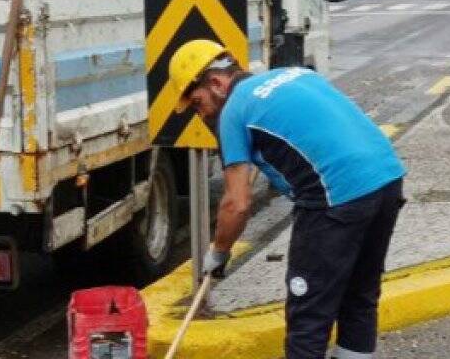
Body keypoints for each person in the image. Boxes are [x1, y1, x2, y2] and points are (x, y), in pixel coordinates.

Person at [168, 39, 406, 359]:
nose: (201, 114)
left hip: (336, 198)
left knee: (308, 316)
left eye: (198, 103)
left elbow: (236, 204)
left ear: (216, 83)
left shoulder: (234, 111)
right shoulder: (292, 74)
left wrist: (219, 252)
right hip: (386, 179)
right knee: (359, 296)